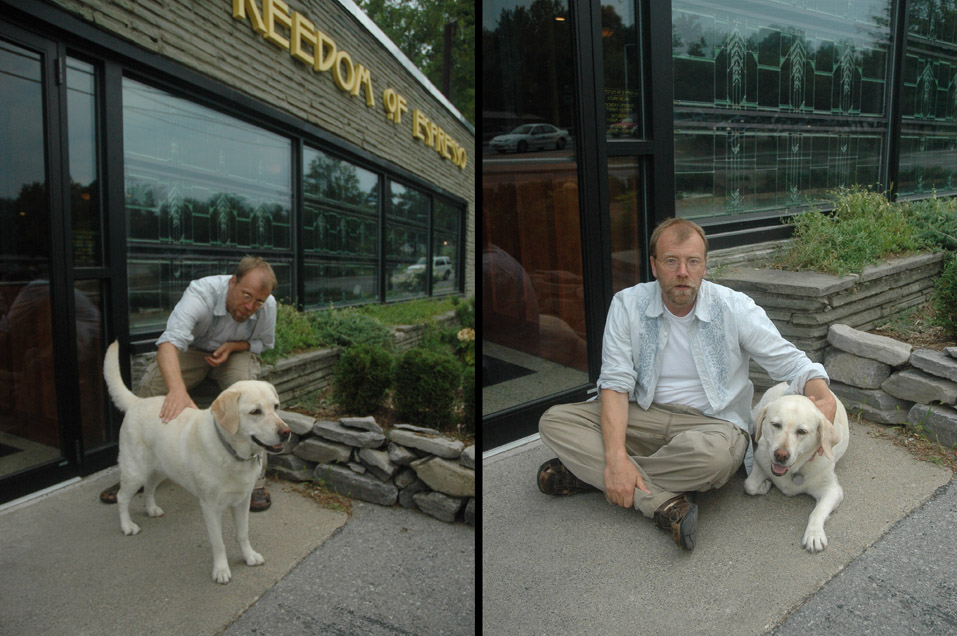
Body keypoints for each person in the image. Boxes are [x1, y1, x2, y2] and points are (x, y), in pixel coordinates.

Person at [537, 218, 836, 550]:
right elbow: (615, 385)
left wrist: (821, 393)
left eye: (692, 261)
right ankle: (658, 501)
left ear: (704, 265)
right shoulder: (627, 305)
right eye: (671, 261)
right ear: (654, 265)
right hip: (644, 414)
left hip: (712, 426)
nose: (683, 271)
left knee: (717, 459)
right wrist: (616, 455)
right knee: (554, 422)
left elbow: (794, 364)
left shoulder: (734, 308)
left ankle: (591, 474)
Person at [100, 256, 279, 511]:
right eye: (246, 296)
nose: (250, 306)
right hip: (192, 350)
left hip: (234, 354)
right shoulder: (201, 292)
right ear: (233, 282)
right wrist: (177, 391)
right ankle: (136, 472)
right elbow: (169, 342)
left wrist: (233, 346)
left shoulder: (267, 306)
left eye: (258, 302)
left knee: (250, 393)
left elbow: (263, 343)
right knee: (153, 385)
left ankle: (255, 483)